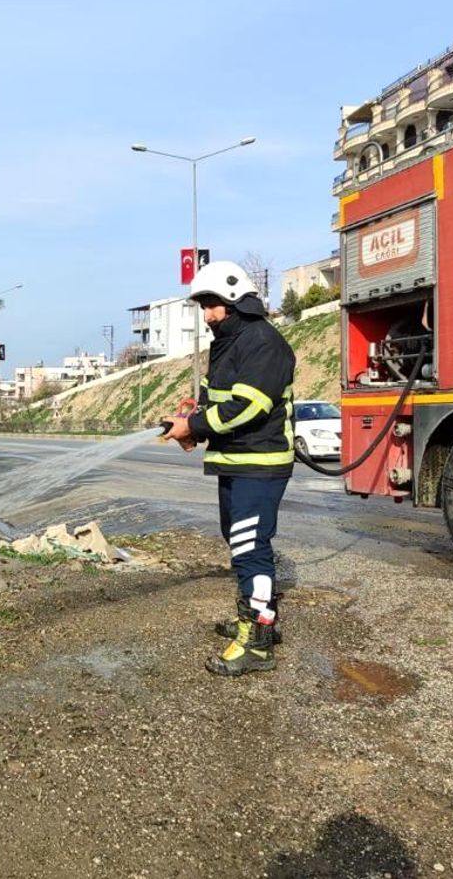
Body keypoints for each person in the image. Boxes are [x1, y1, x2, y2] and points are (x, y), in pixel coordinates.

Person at [161, 260, 296, 678]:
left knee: (250, 547)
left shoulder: (262, 342)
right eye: (203, 305)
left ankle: (256, 646)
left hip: (259, 464)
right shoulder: (228, 343)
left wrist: (196, 425)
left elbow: (250, 406)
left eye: (212, 304)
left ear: (236, 299)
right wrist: (190, 428)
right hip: (235, 463)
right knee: (241, 544)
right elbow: (216, 402)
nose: (207, 314)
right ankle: (259, 622)